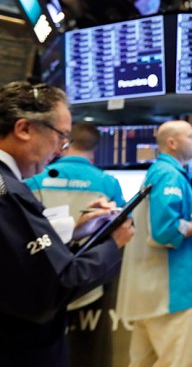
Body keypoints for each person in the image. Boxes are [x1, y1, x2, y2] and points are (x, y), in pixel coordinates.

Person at [0, 81, 134, 367]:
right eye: (60, 136)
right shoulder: (8, 193)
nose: (61, 150)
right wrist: (113, 243)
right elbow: (54, 285)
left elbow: (18, 255)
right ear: (23, 129)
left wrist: (77, 229)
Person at [116, 120, 192, 367]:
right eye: (191, 135)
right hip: (169, 293)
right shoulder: (170, 176)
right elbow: (165, 231)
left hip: (152, 290)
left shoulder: (159, 172)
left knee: (142, 361)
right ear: (172, 143)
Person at [25, 122, 127, 309]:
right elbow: (122, 225)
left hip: (41, 277)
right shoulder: (108, 182)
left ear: (65, 142)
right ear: (95, 147)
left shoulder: (35, 177)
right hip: (88, 282)